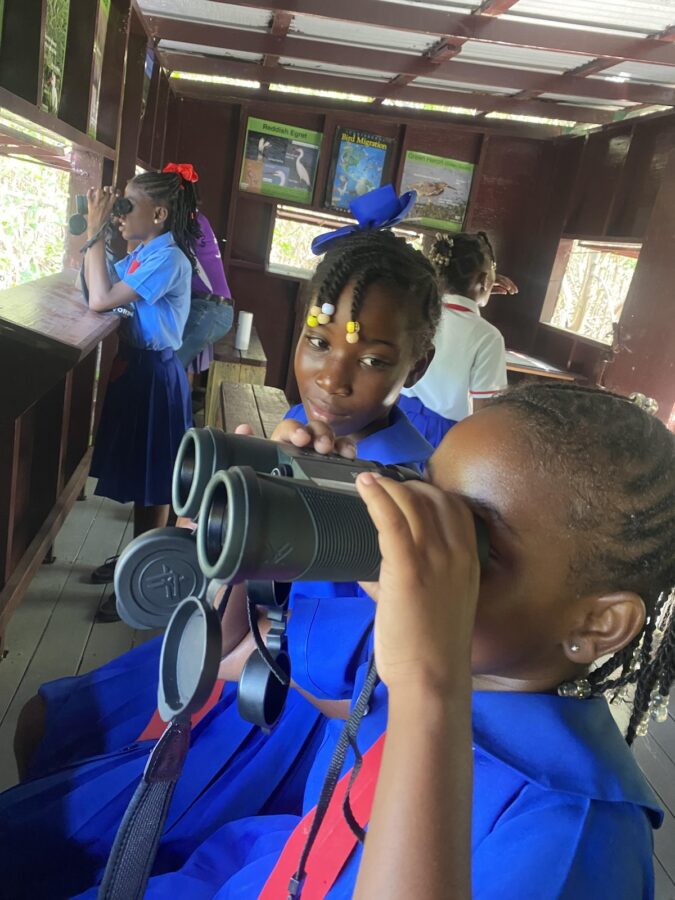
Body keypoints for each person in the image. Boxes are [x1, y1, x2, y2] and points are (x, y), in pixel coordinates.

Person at [2, 221, 441, 899]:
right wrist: (228, 517)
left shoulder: (409, 499)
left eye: (374, 360)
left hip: (288, 719)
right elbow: (218, 616)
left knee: (53, 838)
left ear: (418, 366)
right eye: (318, 343)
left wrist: (249, 620)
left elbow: (367, 686)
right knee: (43, 724)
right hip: (233, 654)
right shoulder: (300, 434)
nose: (333, 377)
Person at [105, 381, 671, 900]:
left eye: (470, 544)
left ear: (597, 624)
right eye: (423, 496)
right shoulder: (390, 647)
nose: (419, 545)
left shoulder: (575, 840)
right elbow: (230, 650)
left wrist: (425, 685)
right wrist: (256, 513)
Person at [84, 168, 200, 621]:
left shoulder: (168, 260)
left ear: (158, 214)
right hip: (137, 371)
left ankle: (143, 579)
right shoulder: (144, 254)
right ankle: (135, 557)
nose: (120, 214)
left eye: (127, 206)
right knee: (141, 476)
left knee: (154, 484)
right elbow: (95, 286)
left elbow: (101, 299)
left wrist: (96, 233)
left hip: (155, 376)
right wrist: (94, 236)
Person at [399, 231, 517, 447]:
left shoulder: (416, 309)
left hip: (397, 417)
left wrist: (482, 285)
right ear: (484, 281)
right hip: (443, 436)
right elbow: (484, 413)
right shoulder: (488, 336)